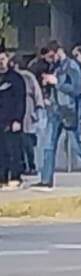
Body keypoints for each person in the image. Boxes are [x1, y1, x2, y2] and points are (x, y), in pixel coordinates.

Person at [37, 39, 81, 193]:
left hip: (69, 110)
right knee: (48, 145)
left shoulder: (72, 66)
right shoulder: (56, 67)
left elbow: (77, 90)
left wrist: (57, 82)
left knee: (77, 146)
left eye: (50, 56)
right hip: (55, 109)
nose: (49, 60)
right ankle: (46, 180)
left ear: (58, 52)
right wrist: (48, 91)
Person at [0, 45, 26, 188]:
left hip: (11, 120)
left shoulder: (16, 79)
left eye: (3, 59)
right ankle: (2, 177)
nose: (1, 62)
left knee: (14, 149)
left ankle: (16, 176)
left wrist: (18, 119)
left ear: (8, 59)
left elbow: (20, 100)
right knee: (1, 151)